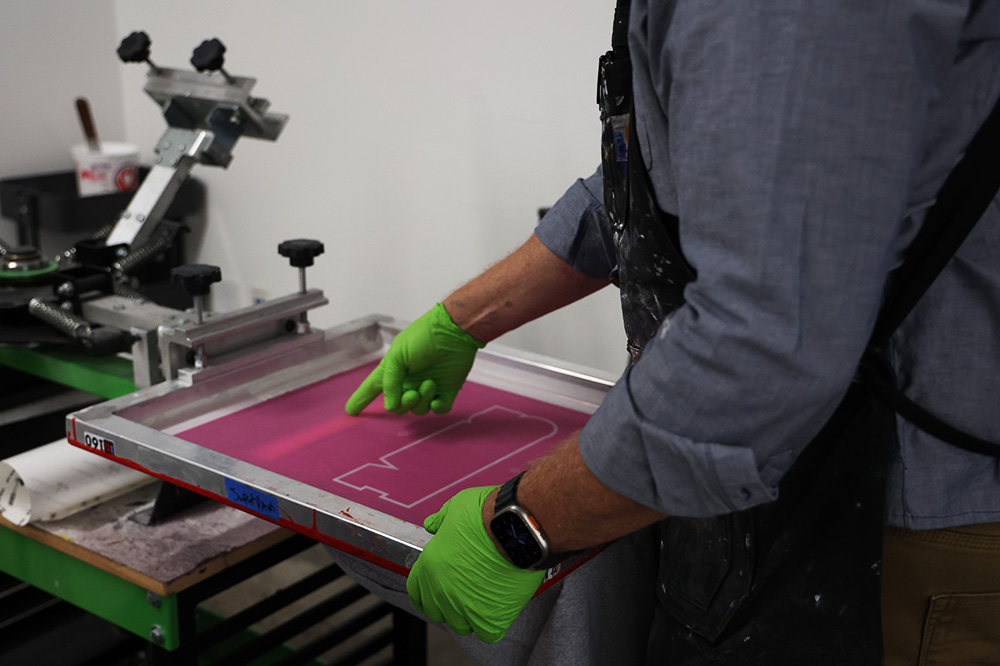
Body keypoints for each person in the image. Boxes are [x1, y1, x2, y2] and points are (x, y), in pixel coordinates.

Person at [338, 1, 1000, 664]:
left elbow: (760, 348)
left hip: (901, 534)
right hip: (781, 489)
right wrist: (466, 318)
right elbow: (654, 177)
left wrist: (518, 528)